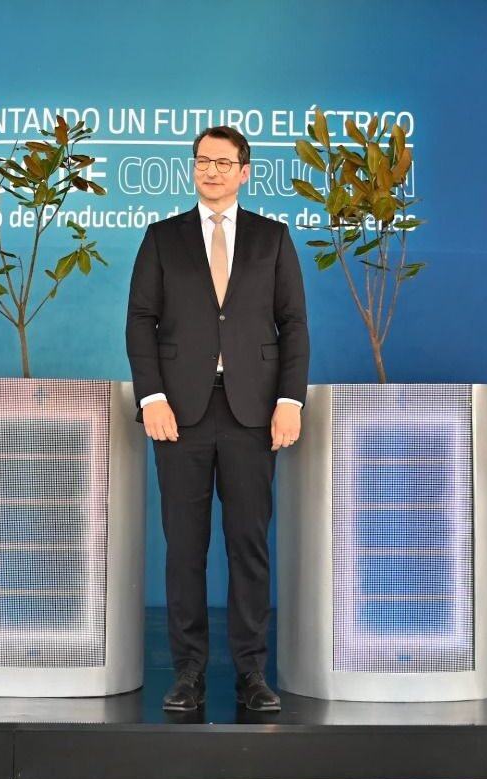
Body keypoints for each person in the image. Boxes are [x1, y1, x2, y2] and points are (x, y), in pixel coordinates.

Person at [126, 125, 310, 713]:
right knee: (185, 548)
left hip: (254, 413)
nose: (211, 171)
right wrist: (151, 397)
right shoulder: (162, 238)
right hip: (178, 414)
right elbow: (140, 322)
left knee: (248, 545)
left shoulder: (273, 239)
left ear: (245, 171)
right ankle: (188, 673)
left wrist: (290, 400)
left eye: (223, 162)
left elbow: (294, 326)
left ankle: (252, 673)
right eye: (202, 161)